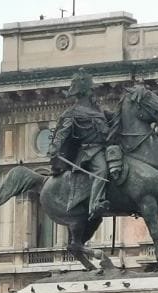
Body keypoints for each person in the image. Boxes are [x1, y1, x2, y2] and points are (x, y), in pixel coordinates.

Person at [48, 68, 114, 220]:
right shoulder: (73, 112)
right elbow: (62, 132)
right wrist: (55, 147)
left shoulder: (98, 110)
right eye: (90, 90)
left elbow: (113, 119)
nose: (93, 93)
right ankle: (95, 203)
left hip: (107, 148)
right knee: (102, 170)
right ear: (84, 92)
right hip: (91, 152)